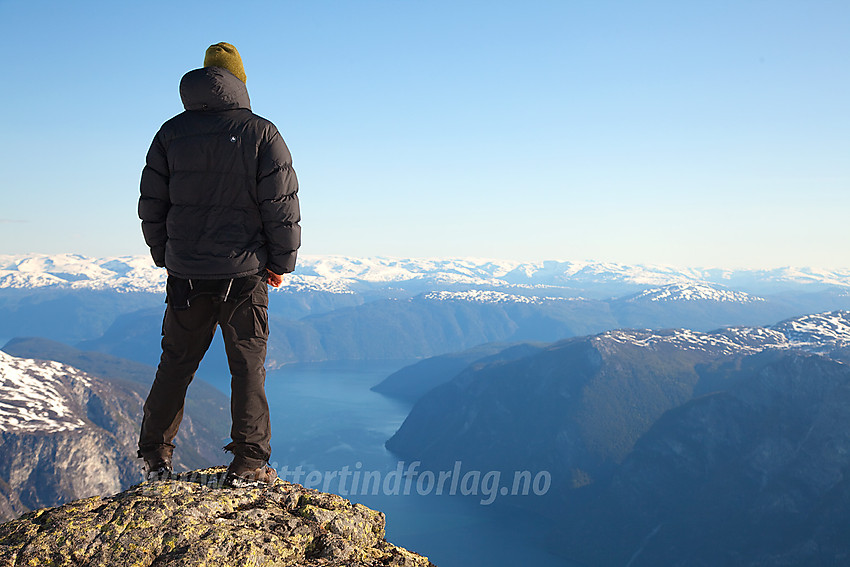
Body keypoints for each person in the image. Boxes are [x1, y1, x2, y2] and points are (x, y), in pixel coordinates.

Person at [137, 42, 300, 486]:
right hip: (244, 273)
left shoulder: (169, 134)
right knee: (247, 365)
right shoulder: (262, 134)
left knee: (176, 362)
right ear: (240, 82)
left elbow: (152, 204)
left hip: (186, 274)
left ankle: (154, 456)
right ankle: (249, 462)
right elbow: (280, 205)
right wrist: (280, 261)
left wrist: (164, 254)